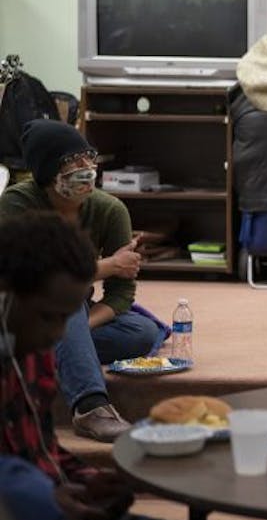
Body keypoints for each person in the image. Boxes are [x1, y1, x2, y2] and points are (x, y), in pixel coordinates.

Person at [0, 212, 220, 520]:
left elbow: (41, 448)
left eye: (67, 317)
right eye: (49, 317)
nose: (59, 336)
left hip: (64, 511)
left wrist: (91, 483)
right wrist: (48, 503)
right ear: (5, 296)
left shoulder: (32, 355)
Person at [0, 121, 163, 443]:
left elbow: (121, 294)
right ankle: (91, 408)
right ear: (47, 171)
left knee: (142, 332)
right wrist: (110, 265)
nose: (86, 169)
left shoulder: (109, 210)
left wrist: (72, 332)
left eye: (89, 157)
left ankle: (66, 347)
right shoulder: (17, 204)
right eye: (72, 163)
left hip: (62, 318)